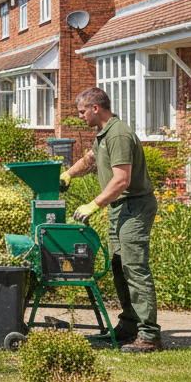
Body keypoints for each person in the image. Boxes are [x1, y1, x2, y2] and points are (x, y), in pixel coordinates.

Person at [60, 86, 161, 353]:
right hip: (120, 208)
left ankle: (149, 336)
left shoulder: (117, 133)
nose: (80, 116)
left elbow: (122, 180)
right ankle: (130, 326)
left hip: (135, 207)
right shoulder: (103, 134)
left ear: (96, 108)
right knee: (119, 267)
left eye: (82, 112)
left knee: (135, 269)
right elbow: (91, 159)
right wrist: (68, 174)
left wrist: (94, 204)